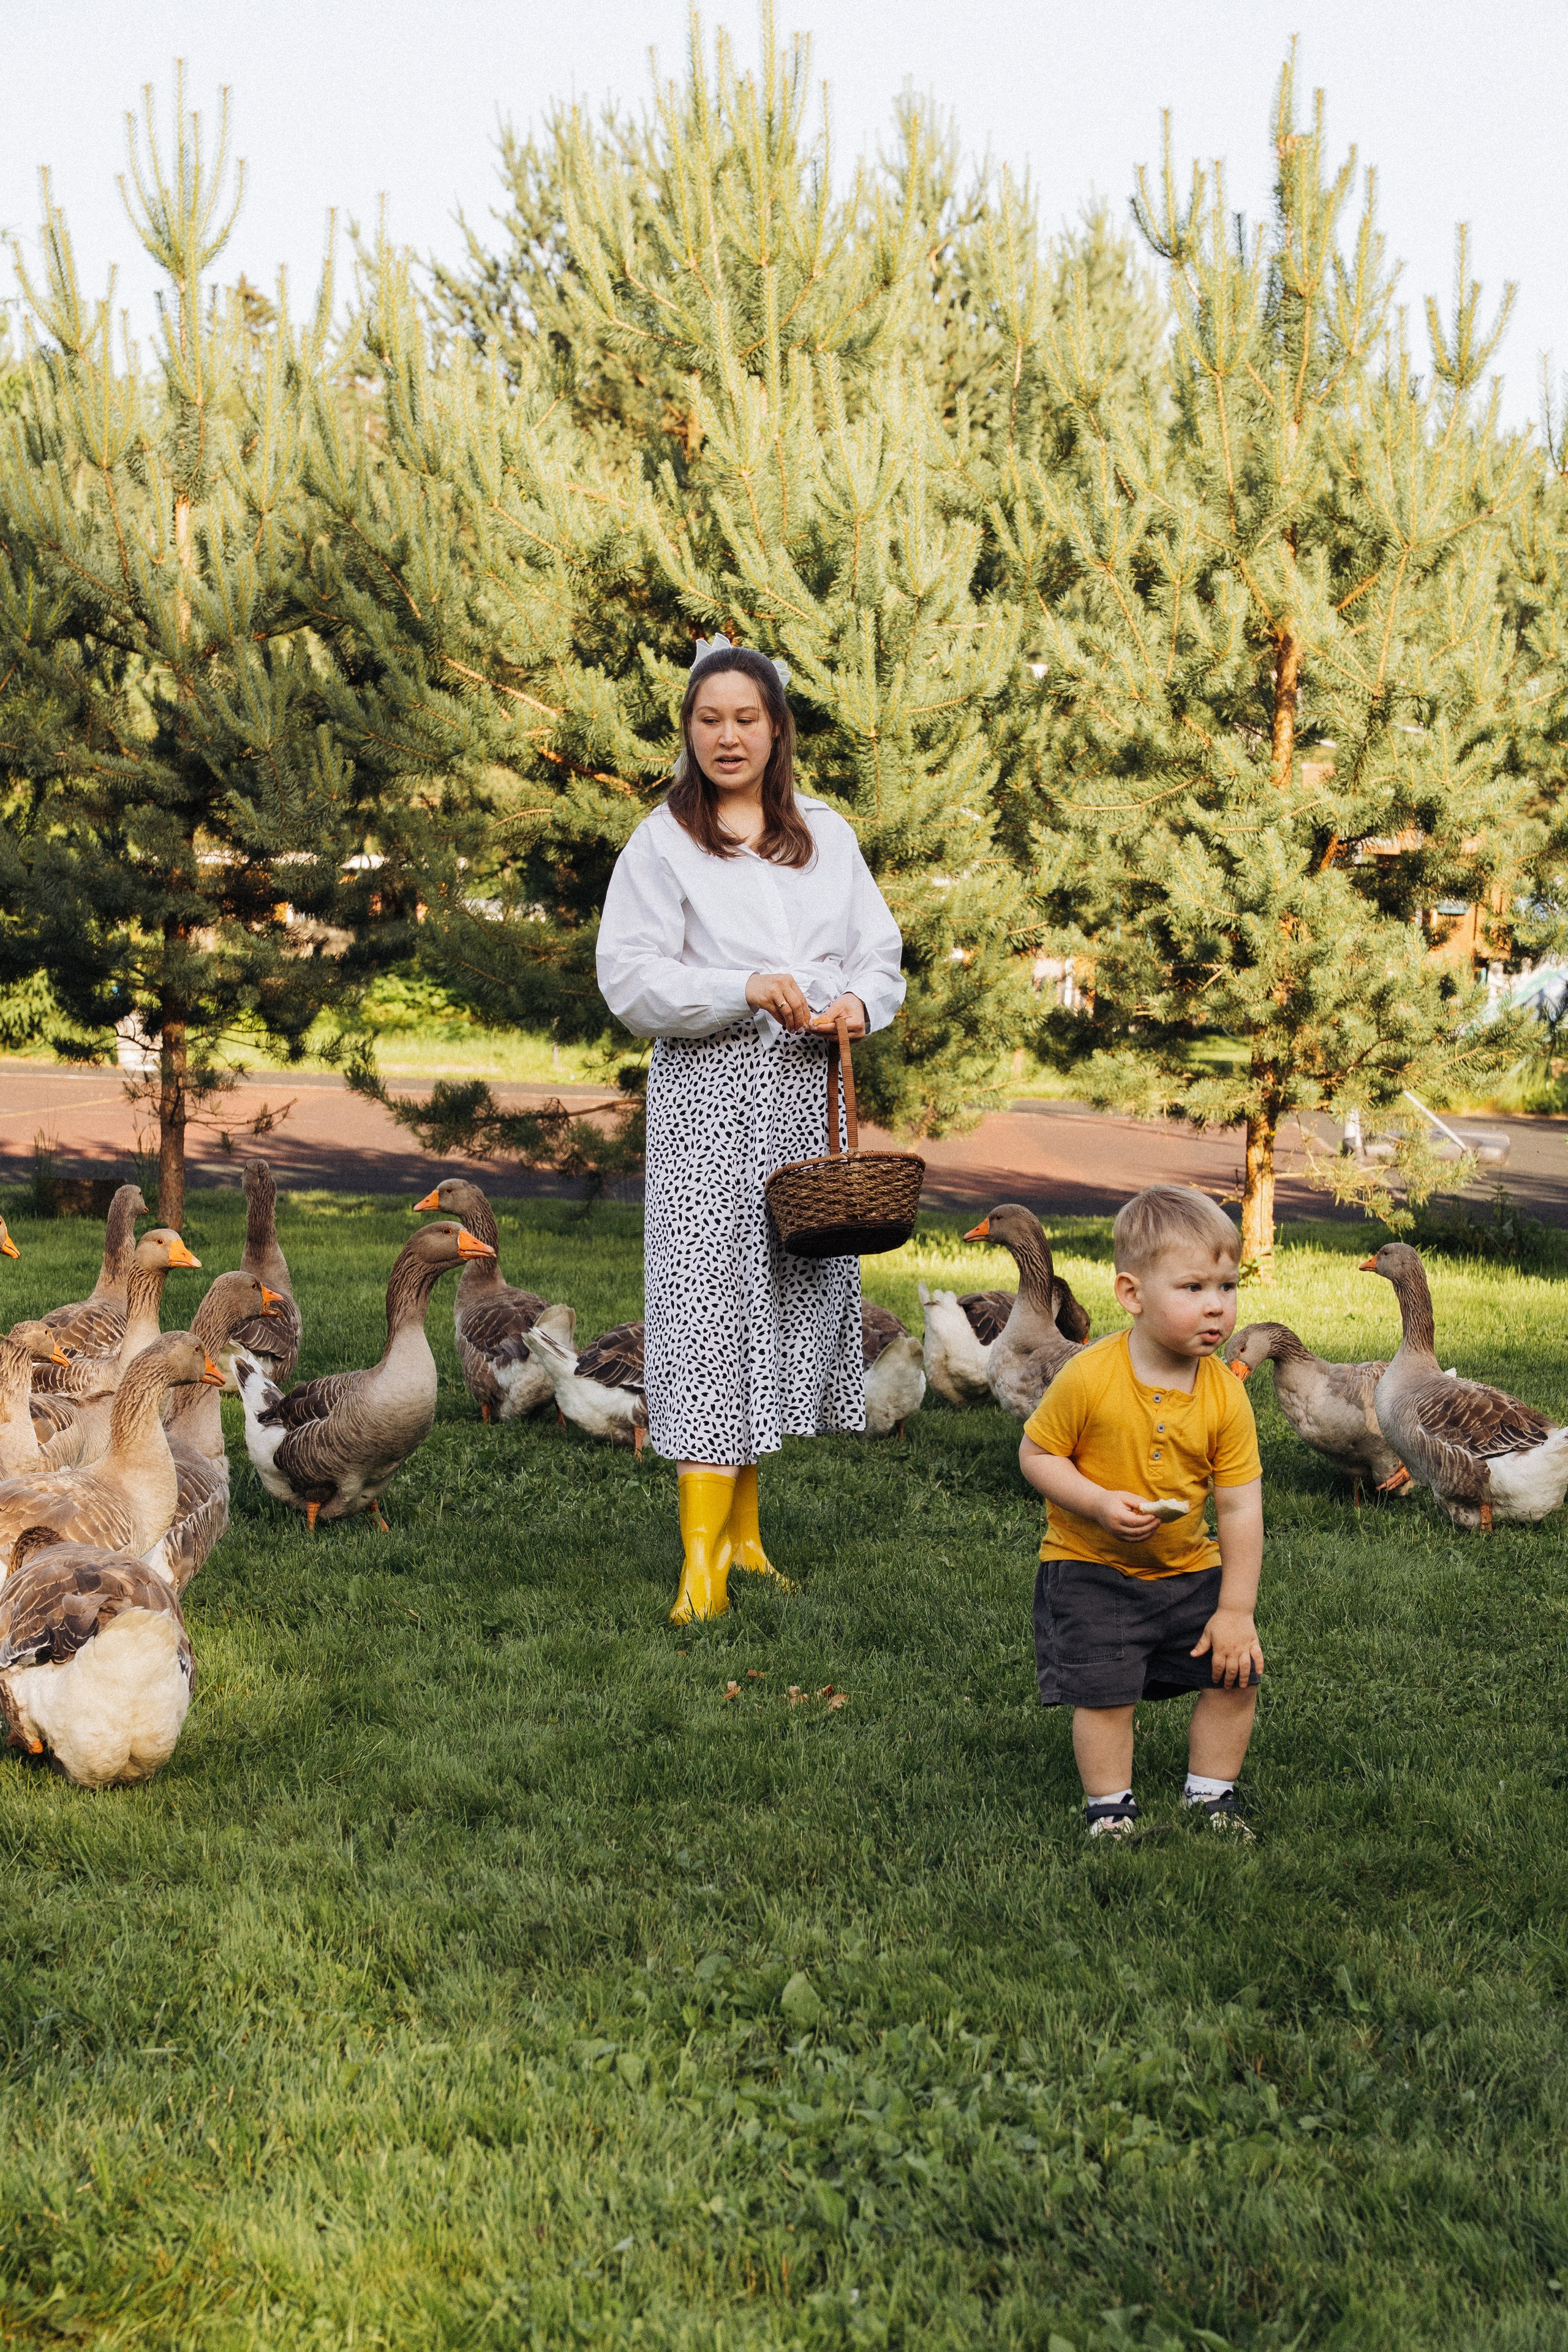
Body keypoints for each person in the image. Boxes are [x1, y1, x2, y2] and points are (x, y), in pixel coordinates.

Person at [596, 639, 905, 1623]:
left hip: (806, 1093)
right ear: (689, 730)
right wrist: (740, 988)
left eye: (746, 718)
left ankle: (746, 1537)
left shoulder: (827, 833)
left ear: (778, 730)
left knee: (774, 1303)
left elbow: (880, 953)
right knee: (704, 1309)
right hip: (713, 1094)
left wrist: (856, 1002)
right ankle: (699, 1569)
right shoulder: (663, 842)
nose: (727, 736)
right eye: (708, 719)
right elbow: (631, 979)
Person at [1017, 1185, 1264, 1839]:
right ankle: (1110, 1807)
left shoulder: (1225, 1397)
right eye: (1191, 1288)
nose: (1216, 1306)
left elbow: (1239, 1506)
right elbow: (1037, 1455)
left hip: (1186, 1567)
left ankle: (1210, 1795)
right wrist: (1096, 1502)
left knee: (1233, 1675)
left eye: (1227, 1286)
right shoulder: (1089, 1376)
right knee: (1104, 1694)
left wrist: (1235, 1610)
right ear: (1132, 1294)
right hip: (1089, 1566)